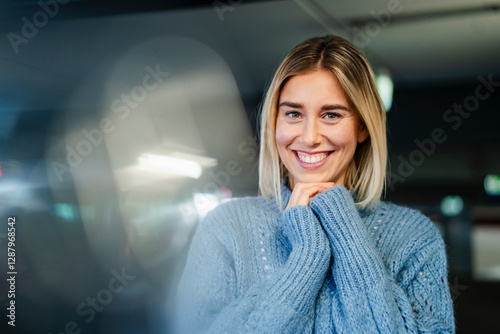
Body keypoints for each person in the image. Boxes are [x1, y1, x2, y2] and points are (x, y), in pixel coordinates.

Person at [176, 35, 455, 333]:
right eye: (293, 114)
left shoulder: (414, 236)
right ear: (275, 122)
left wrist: (343, 225)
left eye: (331, 115)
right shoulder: (225, 227)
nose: (309, 137)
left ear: (362, 127)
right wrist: (307, 257)